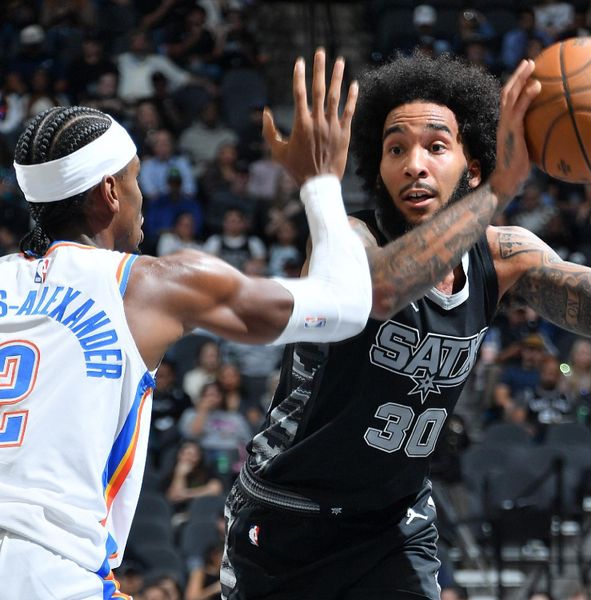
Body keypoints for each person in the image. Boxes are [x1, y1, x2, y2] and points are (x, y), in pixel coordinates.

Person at [221, 49, 591, 599]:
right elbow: (383, 290)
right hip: (289, 518)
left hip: (393, 525)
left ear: (471, 165)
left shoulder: (504, 256)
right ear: (377, 167)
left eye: (436, 147)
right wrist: (498, 191)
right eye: (395, 149)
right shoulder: (350, 244)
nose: (414, 164)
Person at [0, 50, 373, 598]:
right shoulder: (150, 283)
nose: (140, 197)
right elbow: (345, 307)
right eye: (133, 181)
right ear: (108, 193)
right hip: (50, 574)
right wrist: (321, 183)